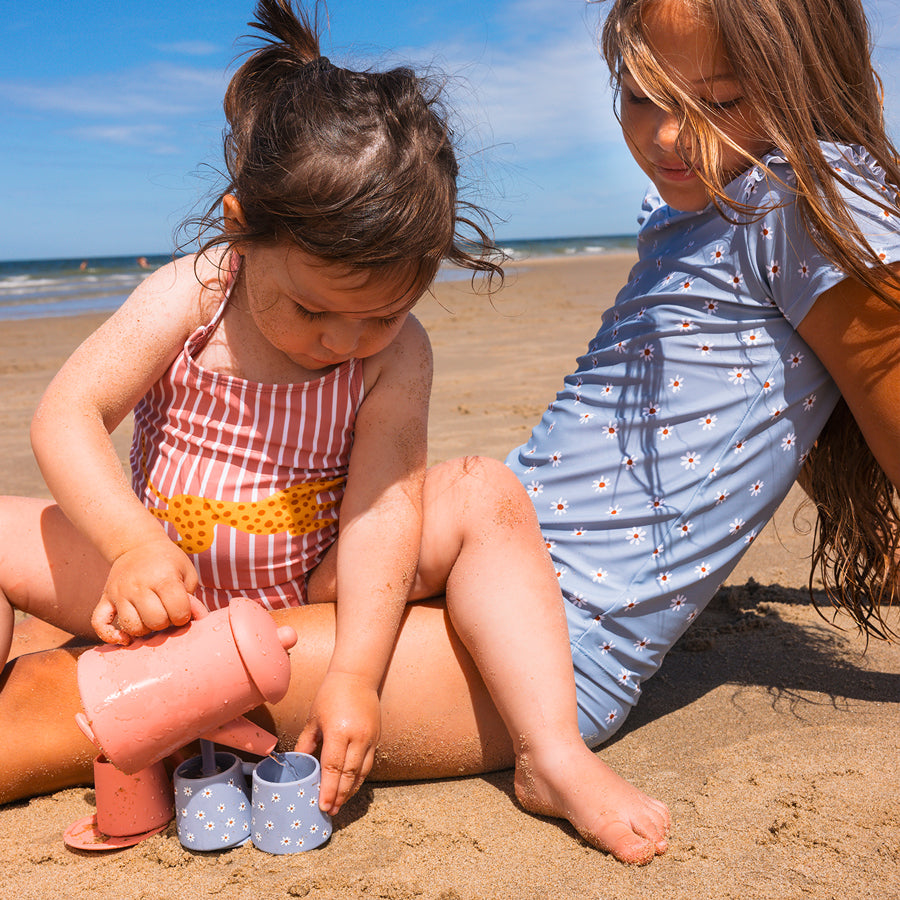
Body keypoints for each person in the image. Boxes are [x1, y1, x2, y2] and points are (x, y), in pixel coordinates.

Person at [2, 0, 899, 867]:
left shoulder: (817, 196)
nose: (669, 134)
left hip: (536, 640)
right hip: (444, 571)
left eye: (721, 100)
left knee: (62, 694)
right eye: (641, 94)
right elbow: (759, 407)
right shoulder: (704, 209)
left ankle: (549, 756)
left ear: (803, 74)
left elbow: (865, 395)